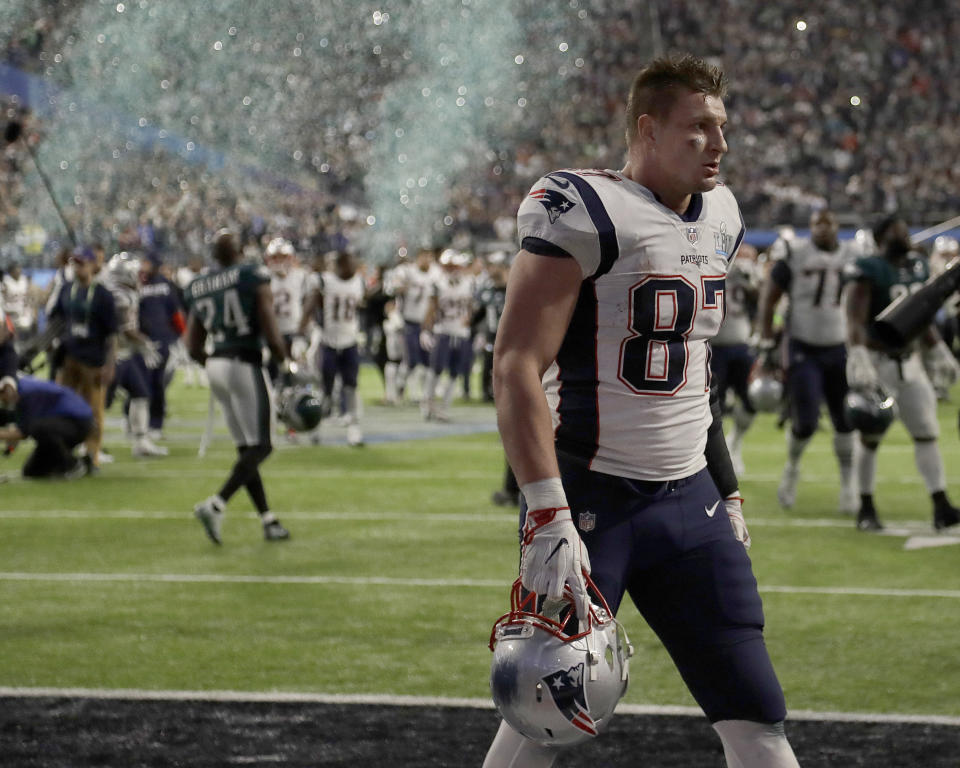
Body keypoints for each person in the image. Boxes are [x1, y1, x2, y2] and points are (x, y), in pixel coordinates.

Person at [484, 55, 799, 768]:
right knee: (546, 711)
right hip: (595, 502)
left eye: (722, 127)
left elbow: (694, 370)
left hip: (691, 503)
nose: (717, 143)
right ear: (648, 129)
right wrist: (544, 512)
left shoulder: (722, 214)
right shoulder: (586, 209)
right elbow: (515, 366)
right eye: (698, 128)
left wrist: (728, 484)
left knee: (756, 708)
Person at [845, 215, 960, 531]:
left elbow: (920, 317)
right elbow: (854, 316)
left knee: (927, 432)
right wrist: (857, 355)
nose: (906, 234)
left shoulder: (918, 267)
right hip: (876, 361)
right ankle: (865, 506)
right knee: (870, 434)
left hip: (910, 362)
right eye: (899, 229)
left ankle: (940, 504)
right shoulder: (868, 267)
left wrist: (938, 351)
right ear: (883, 236)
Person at [184, 230, 291, 544]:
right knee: (264, 445)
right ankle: (216, 504)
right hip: (244, 362)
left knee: (247, 448)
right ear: (242, 250)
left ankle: (268, 520)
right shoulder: (250, 274)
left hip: (215, 363)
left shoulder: (200, 284)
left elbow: (192, 346)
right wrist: (287, 363)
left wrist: (216, 363)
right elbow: (269, 324)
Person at [758, 210, 859, 513]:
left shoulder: (852, 254)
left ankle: (848, 485)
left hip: (840, 347)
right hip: (803, 346)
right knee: (806, 422)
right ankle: (792, 468)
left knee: (845, 420)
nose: (823, 228)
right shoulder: (796, 254)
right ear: (811, 227)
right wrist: (765, 336)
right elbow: (769, 295)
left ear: (837, 226)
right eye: (817, 223)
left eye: (828, 223)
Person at [49, 245, 118, 474]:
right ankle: (66, 451)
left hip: (94, 360)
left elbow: (112, 334)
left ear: (91, 264)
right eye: (73, 263)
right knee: (63, 407)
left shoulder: (103, 295)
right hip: (69, 358)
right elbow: (57, 321)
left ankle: (92, 455)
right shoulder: (66, 290)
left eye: (80, 263)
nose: (76, 267)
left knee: (94, 411)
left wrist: (110, 364)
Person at [100, 252, 168, 458]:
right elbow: (126, 330)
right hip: (112, 357)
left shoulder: (122, 291)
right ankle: (89, 445)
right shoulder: (118, 295)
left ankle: (141, 442)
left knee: (141, 394)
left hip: (125, 355)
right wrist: (145, 343)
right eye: (136, 272)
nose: (141, 276)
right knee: (102, 402)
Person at [302, 250, 365, 446]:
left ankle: (353, 429)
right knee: (324, 390)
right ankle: (315, 428)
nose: (351, 267)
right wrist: (300, 329)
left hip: (350, 341)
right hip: (328, 342)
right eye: (347, 263)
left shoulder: (359, 282)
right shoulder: (323, 281)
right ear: (338, 265)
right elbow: (311, 305)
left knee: (351, 387)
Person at [710, 242, 760, 475]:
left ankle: (736, 442)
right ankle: (714, 456)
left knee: (754, 399)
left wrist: (752, 279)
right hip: (714, 346)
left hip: (742, 344)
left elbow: (763, 299)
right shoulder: (713, 263)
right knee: (713, 407)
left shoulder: (749, 272)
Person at [0, 374, 92, 479]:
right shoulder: (20, 389)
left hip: (78, 423)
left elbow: (24, 432)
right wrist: (10, 449)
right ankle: (85, 461)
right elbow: (20, 428)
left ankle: (72, 464)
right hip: (61, 423)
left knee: (38, 428)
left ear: (6, 389)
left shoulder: (28, 392)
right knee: (32, 471)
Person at [421, 249, 475, 422]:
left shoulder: (469, 283)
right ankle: (428, 403)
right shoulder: (437, 284)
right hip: (443, 331)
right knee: (436, 370)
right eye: (449, 266)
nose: (453, 269)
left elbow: (471, 308)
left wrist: (470, 321)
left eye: (455, 265)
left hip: (461, 333)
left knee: (454, 372)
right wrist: (425, 330)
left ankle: (444, 407)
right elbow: (431, 309)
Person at [138, 251, 186, 440]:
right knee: (140, 384)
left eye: (147, 263)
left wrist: (180, 335)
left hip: (161, 341)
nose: (144, 266)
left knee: (157, 384)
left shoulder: (166, 285)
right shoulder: (137, 283)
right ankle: (137, 422)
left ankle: (155, 425)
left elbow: (175, 313)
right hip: (140, 342)